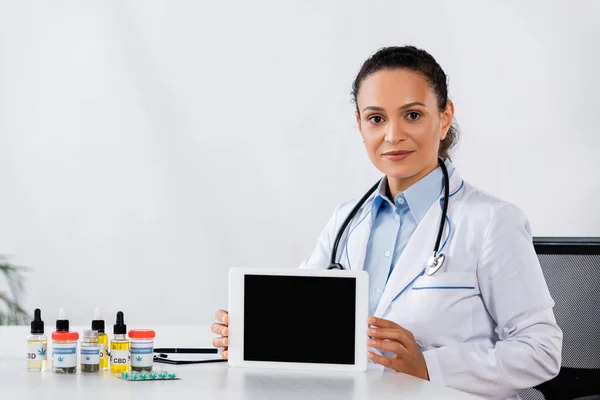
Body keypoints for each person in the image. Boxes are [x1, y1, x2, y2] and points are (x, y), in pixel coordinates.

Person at [211, 46, 562, 399]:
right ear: (360, 126)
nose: (393, 135)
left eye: (412, 115)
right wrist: (253, 334)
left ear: (444, 118)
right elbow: (305, 325)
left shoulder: (492, 222)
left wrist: (429, 368)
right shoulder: (346, 221)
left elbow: (541, 352)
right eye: (376, 118)